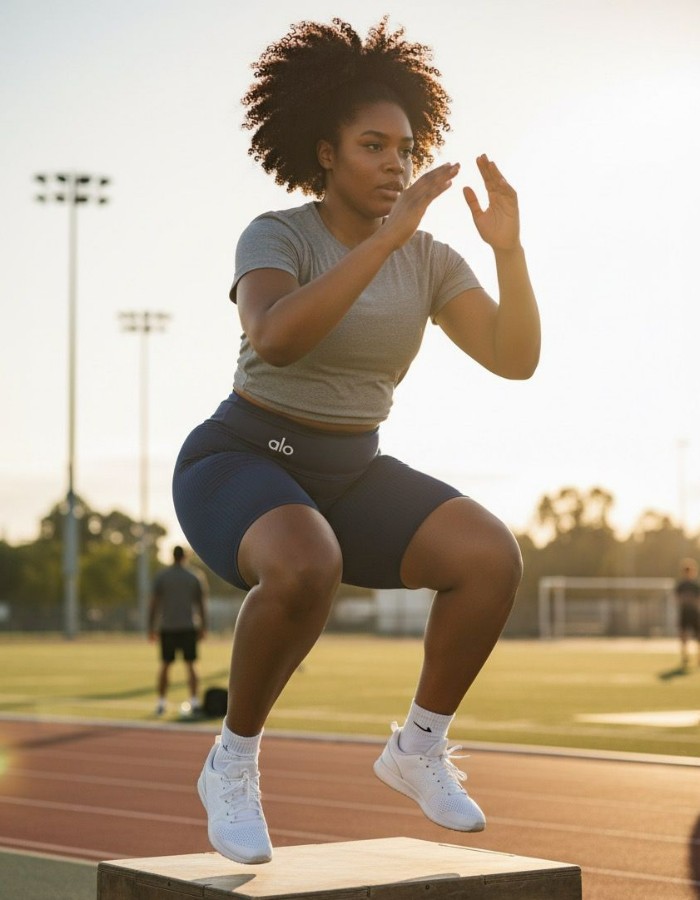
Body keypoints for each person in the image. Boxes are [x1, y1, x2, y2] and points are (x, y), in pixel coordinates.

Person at [172, 17, 540, 865]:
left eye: (405, 149)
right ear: (326, 152)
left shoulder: (432, 258)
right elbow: (276, 340)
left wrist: (511, 254)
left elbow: (513, 359)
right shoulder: (278, 235)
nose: (395, 164)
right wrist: (383, 241)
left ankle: (417, 747)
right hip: (241, 458)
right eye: (373, 146)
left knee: (489, 556)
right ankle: (231, 762)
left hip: (352, 467)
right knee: (307, 563)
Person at [148, 545, 208, 716]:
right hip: (188, 626)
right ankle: (195, 702)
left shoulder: (162, 576)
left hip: (167, 627)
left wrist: (151, 628)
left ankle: (161, 703)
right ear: (185, 557)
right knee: (191, 665)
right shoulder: (194, 576)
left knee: (165, 665)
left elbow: (153, 603)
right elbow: (201, 604)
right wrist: (204, 627)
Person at [675, 558, 700, 668]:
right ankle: (684, 657)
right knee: (683, 636)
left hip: (694, 613)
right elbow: (677, 599)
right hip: (684, 612)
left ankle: (698, 658)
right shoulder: (681, 585)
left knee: (698, 636)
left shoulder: (696, 585)